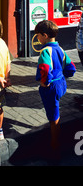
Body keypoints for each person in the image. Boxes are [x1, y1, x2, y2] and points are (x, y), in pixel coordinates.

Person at [34, 20, 76, 154]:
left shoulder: (45, 51)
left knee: (53, 117)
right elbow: (71, 67)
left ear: (45, 35)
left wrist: (45, 82)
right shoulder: (60, 49)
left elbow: (45, 69)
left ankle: (55, 141)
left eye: (38, 35)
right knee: (55, 109)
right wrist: (64, 75)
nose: (38, 38)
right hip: (61, 84)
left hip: (51, 87)